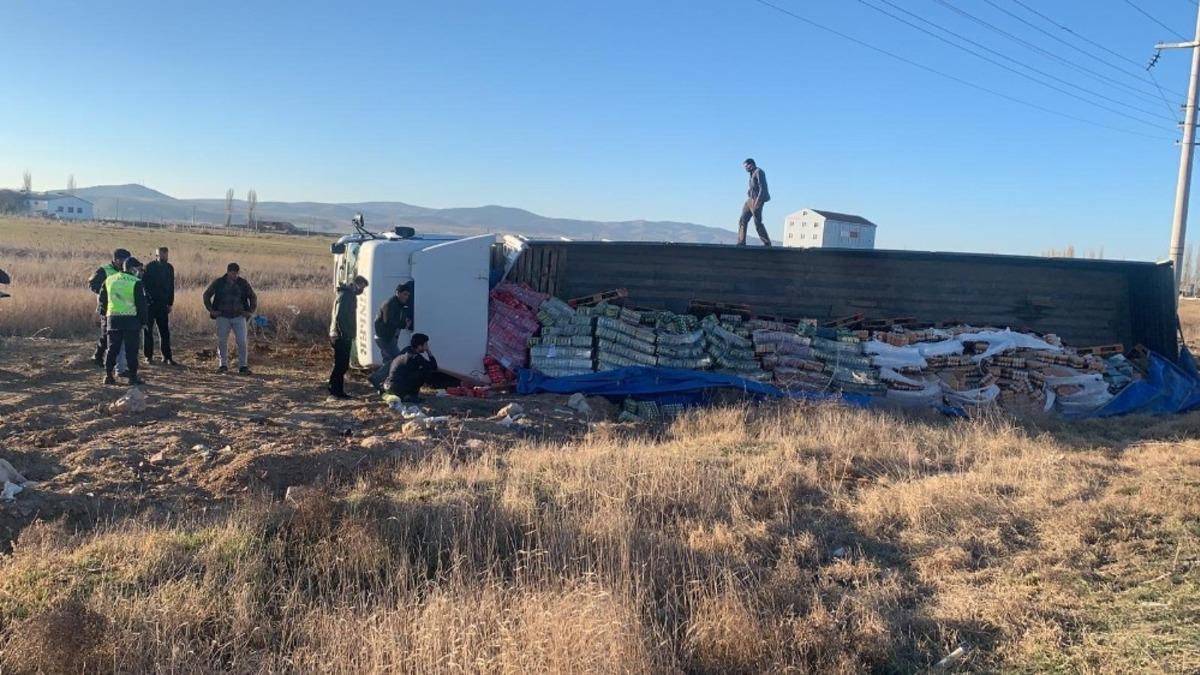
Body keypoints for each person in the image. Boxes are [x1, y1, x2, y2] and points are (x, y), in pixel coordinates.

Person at [98, 257, 148, 386]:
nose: (140, 271)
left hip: (113, 319)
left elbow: (102, 301)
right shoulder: (136, 282)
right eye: (138, 269)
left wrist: (105, 316)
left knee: (112, 349)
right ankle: (132, 377)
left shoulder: (109, 280)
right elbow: (141, 305)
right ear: (132, 268)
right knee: (131, 351)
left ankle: (108, 376)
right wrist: (144, 321)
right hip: (131, 320)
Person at [202, 262, 257, 374]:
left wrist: (250, 311)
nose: (234, 275)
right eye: (232, 273)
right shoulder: (219, 283)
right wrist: (212, 310)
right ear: (227, 272)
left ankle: (243, 366)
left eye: (236, 273)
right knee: (222, 341)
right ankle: (223, 365)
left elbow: (253, 297)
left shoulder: (243, 283)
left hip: (239, 316)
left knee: (242, 341)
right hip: (222, 316)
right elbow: (206, 295)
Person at [328, 275, 370, 399]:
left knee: (341, 364)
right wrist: (344, 334)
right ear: (356, 284)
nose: (361, 290)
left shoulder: (345, 295)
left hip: (340, 334)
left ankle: (336, 389)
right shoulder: (347, 296)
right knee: (341, 364)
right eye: (361, 287)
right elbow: (340, 317)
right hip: (341, 336)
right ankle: (335, 391)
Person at [88, 248, 131, 366]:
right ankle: (98, 357)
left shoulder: (126, 271)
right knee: (106, 334)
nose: (126, 263)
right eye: (125, 260)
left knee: (114, 335)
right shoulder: (104, 270)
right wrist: (106, 292)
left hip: (121, 308)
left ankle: (109, 359)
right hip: (107, 307)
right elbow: (92, 284)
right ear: (117, 260)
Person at [369, 281, 414, 390]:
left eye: (408, 295)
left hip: (387, 337)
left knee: (388, 360)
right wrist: (404, 324)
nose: (406, 297)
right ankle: (376, 378)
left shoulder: (398, 304)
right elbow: (389, 322)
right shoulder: (390, 304)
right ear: (397, 293)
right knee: (396, 360)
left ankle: (384, 384)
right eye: (404, 294)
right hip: (385, 338)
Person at [142, 246, 176, 365]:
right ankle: (148, 356)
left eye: (165, 255)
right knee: (148, 331)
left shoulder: (169, 268)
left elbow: (171, 287)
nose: (163, 257)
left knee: (164, 332)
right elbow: (143, 285)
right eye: (160, 255)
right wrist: (147, 300)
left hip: (163, 304)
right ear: (156, 255)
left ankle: (167, 357)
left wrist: (170, 303)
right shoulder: (149, 267)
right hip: (150, 305)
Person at [384, 333, 438, 403]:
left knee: (416, 371)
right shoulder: (415, 357)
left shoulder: (407, 349)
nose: (427, 346)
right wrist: (428, 351)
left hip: (388, 385)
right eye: (426, 344)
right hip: (397, 389)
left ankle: (407, 394)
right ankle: (411, 396)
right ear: (419, 346)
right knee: (425, 372)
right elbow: (434, 366)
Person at [737, 158, 772, 247]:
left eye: (746, 166)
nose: (746, 168)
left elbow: (762, 188)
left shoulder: (759, 172)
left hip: (757, 200)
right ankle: (741, 241)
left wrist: (757, 202)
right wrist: (749, 191)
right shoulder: (751, 174)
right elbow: (754, 186)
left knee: (757, 222)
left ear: (751, 164)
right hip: (750, 200)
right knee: (742, 219)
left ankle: (767, 243)